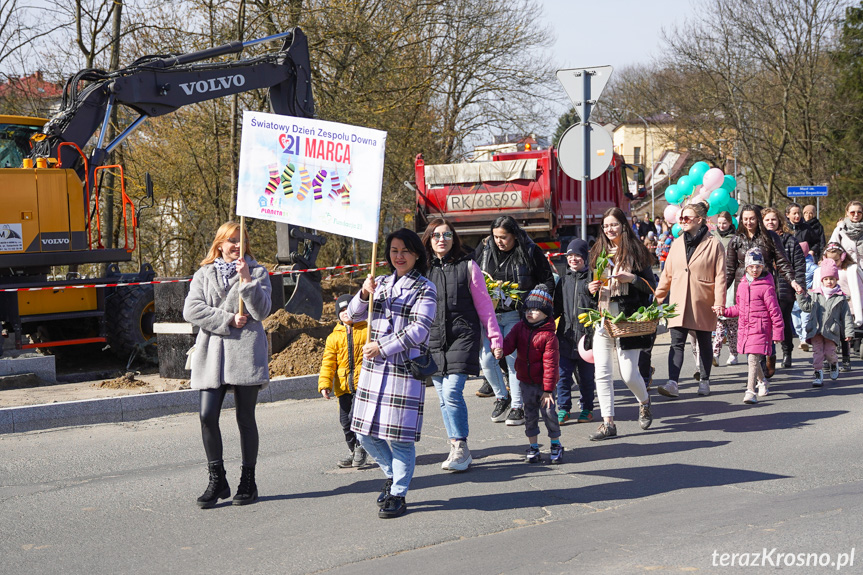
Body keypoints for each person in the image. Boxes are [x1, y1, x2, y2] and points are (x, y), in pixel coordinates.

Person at [347, 228, 436, 519]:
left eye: (405, 251)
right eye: (394, 250)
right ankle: (392, 474)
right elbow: (353, 314)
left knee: (399, 438)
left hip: (402, 371)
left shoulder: (425, 287)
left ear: (416, 255)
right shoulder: (380, 283)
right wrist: (363, 293)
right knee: (363, 433)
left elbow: (420, 330)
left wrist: (383, 347)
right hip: (373, 372)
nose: (399, 256)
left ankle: (398, 493)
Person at [183, 221, 272, 508]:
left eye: (241, 240)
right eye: (230, 240)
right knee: (207, 415)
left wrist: (247, 282)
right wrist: (227, 319)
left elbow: (261, 311)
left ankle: (249, 481)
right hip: (211, 354)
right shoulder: (203, 273)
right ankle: (217, 479)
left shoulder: (257, 271)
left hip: (245, 352)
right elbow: (191, 309)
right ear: (219, 244)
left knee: (245, 417)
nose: (236, 245)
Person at [421, 218, 503, 472]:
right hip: (434, 339)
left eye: (446, 235)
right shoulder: (423, 270)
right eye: (436, 235)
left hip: (462, 337)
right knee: (443, 398)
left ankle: (461, 448)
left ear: (454, 239)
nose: (441, 240)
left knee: (452, 392)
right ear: (429, 239)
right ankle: (455, 444)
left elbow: (485, 306)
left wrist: (495, 338)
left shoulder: (468, 266)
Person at [474, 215, 555, 426]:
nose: (499, 242)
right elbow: (471, 275)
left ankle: (518, 406)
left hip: (516, 315)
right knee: (486, 360)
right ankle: (502, 397)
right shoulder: (483, 251)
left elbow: (546, 281)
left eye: (504, 237)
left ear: (515, 236)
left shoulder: (529, 251)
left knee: (513, 360)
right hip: (489, 315)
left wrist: (535, 305)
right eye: (496, 237)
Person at [586, 207, 655, 441]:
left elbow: (652, 288)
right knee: (602, 374)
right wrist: (591, 288)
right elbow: (590, 284)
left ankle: (644, 402)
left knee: (627, 374)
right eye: (605, 226)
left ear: (623, 226)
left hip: (629, 319)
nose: (609, 229)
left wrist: (633, 279)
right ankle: (608, 424)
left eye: (613, 224)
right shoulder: (597, 252)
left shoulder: (637, 252)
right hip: (603, 318)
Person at [655, 203, 726, 398]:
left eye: (686, 218)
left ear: (699, 220)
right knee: (676, 342)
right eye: (680, 218)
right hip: (678, 299)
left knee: (704, 341)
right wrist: (658, 299)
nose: (682, 222)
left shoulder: (714, 244)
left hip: (702, 299)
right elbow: (667, 274)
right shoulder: (677, 243)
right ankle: (673, 383)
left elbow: (721, 276)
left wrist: (719, 301)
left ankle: (704, 380)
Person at [725, 204, 802, 378]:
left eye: (752, 218)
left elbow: (782, 262)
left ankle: (770, 354)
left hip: (765, 289)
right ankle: (756, 373)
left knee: (764, 327)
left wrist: (793, 281)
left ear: (758, 219)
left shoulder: (770, 237)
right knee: (749, 331)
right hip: (744, 290)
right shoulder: (736, 240)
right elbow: (729, 269)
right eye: (745, 219)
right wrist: (720, 292)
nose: (749, 222)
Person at [498, 287, 563, 463]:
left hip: (544, 385)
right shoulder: (520, 328)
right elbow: (509, 345)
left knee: (549, 414)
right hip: (525, 381)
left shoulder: (549, 336)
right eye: (527, 309)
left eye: (535, 309)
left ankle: (555, 443)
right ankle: (533, 446)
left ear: (545, 313)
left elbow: (551, 365)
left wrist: (548, 390)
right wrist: (500, 349)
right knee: (530, 415)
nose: (529, 312)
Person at [722, 248, 784, 403]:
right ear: (746, 267)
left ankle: (750, 391)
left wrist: (778, 333)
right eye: (751, 266)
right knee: (752, 358)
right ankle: (763, 381)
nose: (755, 269)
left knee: (752, 359)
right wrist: (723, 311)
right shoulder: (742, 285)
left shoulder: (766, 286)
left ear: (762, 267)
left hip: (761, 328)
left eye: (758, 266)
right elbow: (739, 308)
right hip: (745, 328)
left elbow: (775, 311)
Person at [318, 294, 369, 469]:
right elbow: (328, 362)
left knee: (356, 419)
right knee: (345, 422)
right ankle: (352, 450)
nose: (345, 313)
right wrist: (325, 384)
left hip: (363, 386)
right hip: (343, 387)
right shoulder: (333, 337)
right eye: (341, 310)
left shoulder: (366, 330)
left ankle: (362, 449)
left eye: (348, 309)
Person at [553, 239, 596, 424]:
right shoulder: (563, 280)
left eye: (577, 255)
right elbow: (556, 308)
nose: (573, 259)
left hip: (586, 338)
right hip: (565, 337)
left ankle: (587, 408)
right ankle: (563, 409)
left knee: (586, 378)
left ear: (585, 257)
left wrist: (593, 292)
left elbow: (598, 307)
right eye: (570, 255)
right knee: (562, 376)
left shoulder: (593, 279)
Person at [797, 258, 856, 386]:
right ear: (822, 280)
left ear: (836, 279)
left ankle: (834, 364)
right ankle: (818, 373)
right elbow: (805, 307)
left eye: (832, 279)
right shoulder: (815, 294)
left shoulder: (841, 297)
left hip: (832, 330)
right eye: (826, 279)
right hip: (816, 329)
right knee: (817, 353)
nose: (829, 282)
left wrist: (848, 332)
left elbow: (846, 316)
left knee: (830, 353)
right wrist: (800, 294)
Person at [762, 207, 806, 369]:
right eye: (767, 220)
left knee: (783, 321)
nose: (770, 222)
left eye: (773, 219)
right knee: (765, 323)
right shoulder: (760, 240)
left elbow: (799, 265)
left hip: (784, 288)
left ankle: (787, 352)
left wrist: (798, 285)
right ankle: (769, 355)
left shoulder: (789, 240)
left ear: (779, 221)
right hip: (764, 288)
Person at [812, 242, 863, 372]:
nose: (834, 263)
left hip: (846, 306)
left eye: (836, 260)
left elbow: (858, 289)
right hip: (829, 308)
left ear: (842, 257)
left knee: (844, 335)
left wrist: (857, 308)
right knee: (827, 334)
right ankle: (827, 359)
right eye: (830, 260)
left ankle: (846, 359)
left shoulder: (849, 270)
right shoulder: (822, 272)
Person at [711, 211, 739, 365]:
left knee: (732, 323)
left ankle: (733, 354)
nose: (721, 226)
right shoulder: (712, 237)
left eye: (724, 223)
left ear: (730, 223)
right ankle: (715, 353)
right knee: (719, 323)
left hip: (732, 282)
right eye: (719, 223)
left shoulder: (735, 238)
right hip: (716, 279)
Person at [790, 241, 819, 352]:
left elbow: (820, 275)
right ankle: (801, 337)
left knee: (805, 320)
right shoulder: (791, 264)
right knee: (796, 323)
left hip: (807, 297)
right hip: (794, 298)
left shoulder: (812, 266)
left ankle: (804, 340)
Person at [828, 200, 863, 266]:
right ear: (847, 213)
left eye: (859, 212)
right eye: (852, 212)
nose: (856, 215)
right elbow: (831, 249)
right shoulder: (840, 229)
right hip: (846, 268)